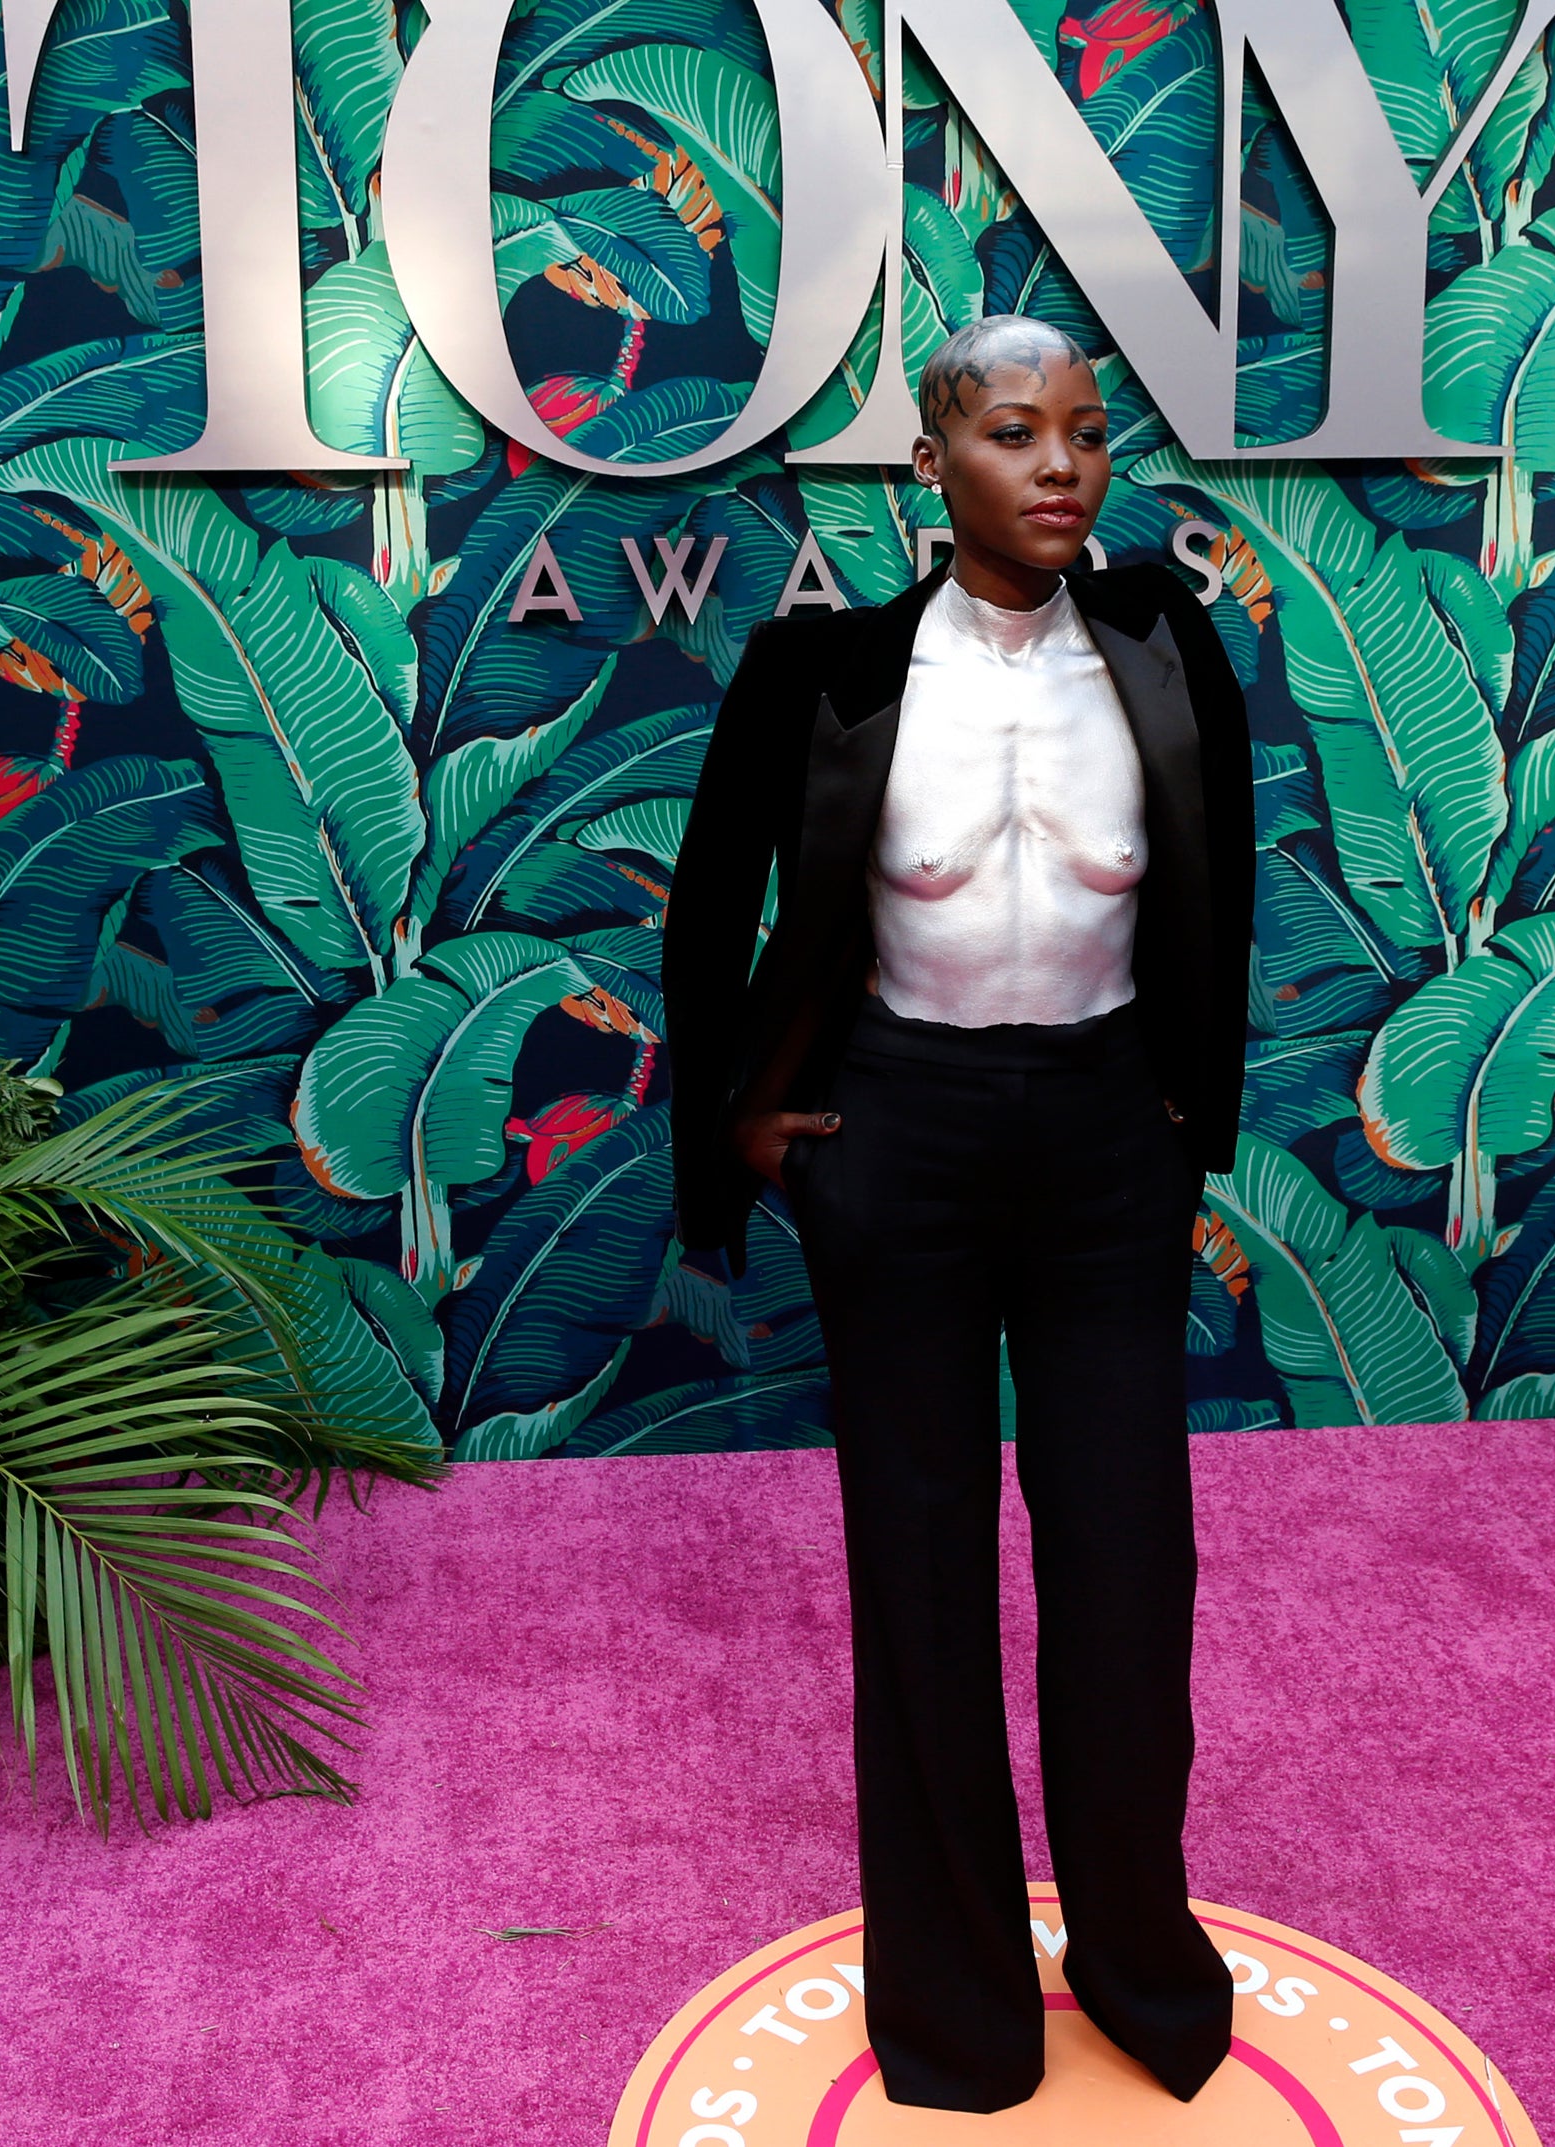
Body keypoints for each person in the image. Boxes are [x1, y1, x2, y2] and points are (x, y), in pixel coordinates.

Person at [661, 314, 1257, 2113]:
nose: (1062, 465)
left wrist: (1175, 1116)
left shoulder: (1165, 648)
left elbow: (1225, 891)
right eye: (1014, 433)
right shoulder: (822, 675)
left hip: (1096, 1144)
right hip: (898, 1137)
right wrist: (758, 1126)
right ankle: (954, 2014)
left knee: (1125, 1563)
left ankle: (1143, 1971)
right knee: (918, 1574)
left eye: (1085, 431)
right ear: (932, 466)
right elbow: (705, 920)